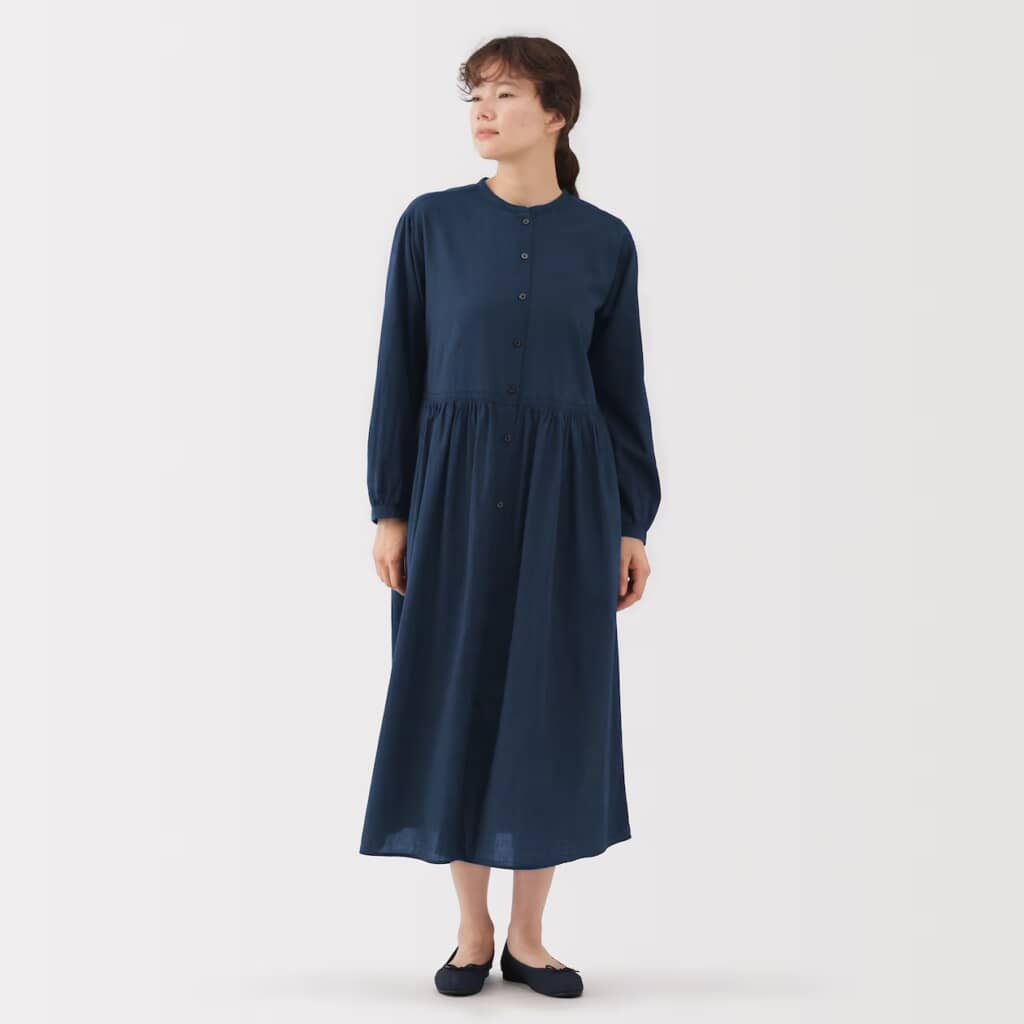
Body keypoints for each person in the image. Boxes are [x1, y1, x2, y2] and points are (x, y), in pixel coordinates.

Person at [360, 35, 661, 999]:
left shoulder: (606, 241)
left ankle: (530, 935)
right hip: (451, 492)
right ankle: (471, 928)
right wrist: (391, 506)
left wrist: (632, 522)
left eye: (504, 95)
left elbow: (622, 391)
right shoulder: (431, 225)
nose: (483, 112)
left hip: (569, 500)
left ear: (557, 113)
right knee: (453, 686)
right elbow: (400, 369)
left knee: (551, 697)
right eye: (475, 97)